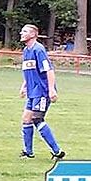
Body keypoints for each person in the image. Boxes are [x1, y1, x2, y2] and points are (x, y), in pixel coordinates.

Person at [19, 24, 66, 160]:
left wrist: (51, 89)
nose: (21, 33)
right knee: (26, 119)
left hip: (42, 91)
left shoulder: (38, 50)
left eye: (25, 31)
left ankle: (57, 152)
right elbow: (30, 71)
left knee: (37, 119)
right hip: (32, 92)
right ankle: (28, 152)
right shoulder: (26, 51)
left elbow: (49, 70)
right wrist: (24, 86)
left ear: (33, 34)